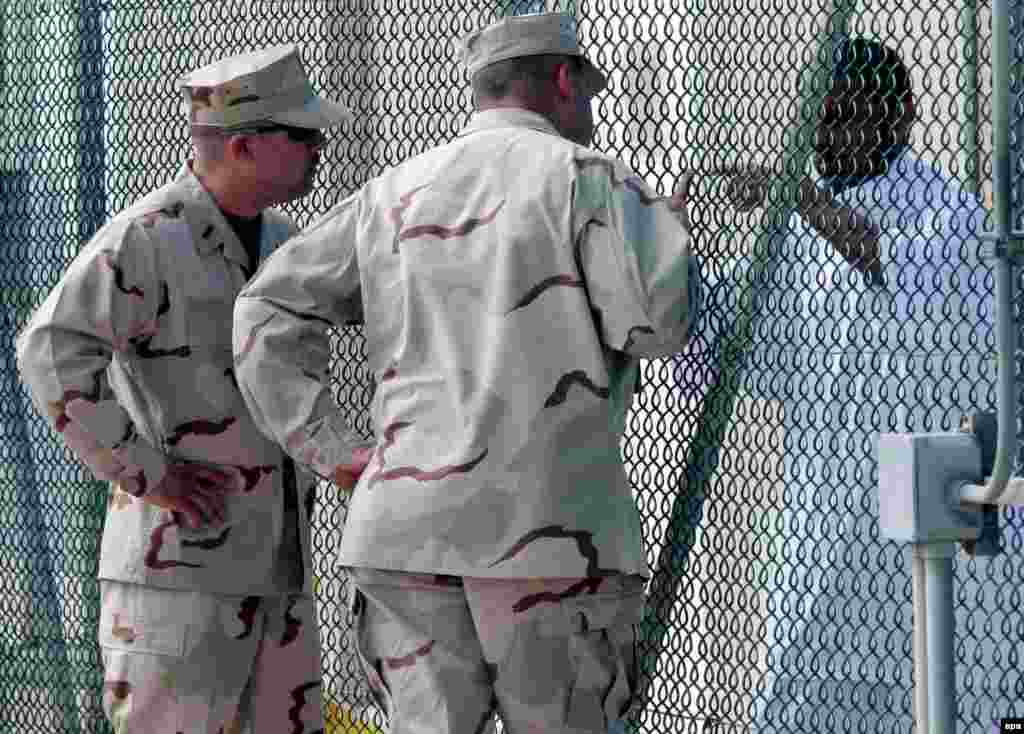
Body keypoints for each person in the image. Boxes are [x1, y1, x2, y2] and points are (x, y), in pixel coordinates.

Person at [232, 12, 703, 734]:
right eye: (588, 89)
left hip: (406, 532)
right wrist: (663, 239)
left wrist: (335, 450)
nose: (591, 109)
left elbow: (265, 309)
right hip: (549, 533)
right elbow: (655, 325)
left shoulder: (391, 194)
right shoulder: (588, 180)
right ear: (561, 79)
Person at [16, 44, 357, 734]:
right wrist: (148, 472)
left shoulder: (286, 244)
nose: (319, 148)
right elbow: (49, 351)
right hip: (176, 576)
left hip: (275, 573)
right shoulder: (146, 239)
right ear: (243, 145)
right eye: (302, 135)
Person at [724, 38, 995, 730]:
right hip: (823, 535)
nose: (825, 138)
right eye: (818, 119)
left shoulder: (948, 213)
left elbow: (889, 264)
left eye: (845, 116)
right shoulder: (799, 225)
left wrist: (800, 199)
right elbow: (748, 338)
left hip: (925, 540)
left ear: (900, 117)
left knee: (932, 703)